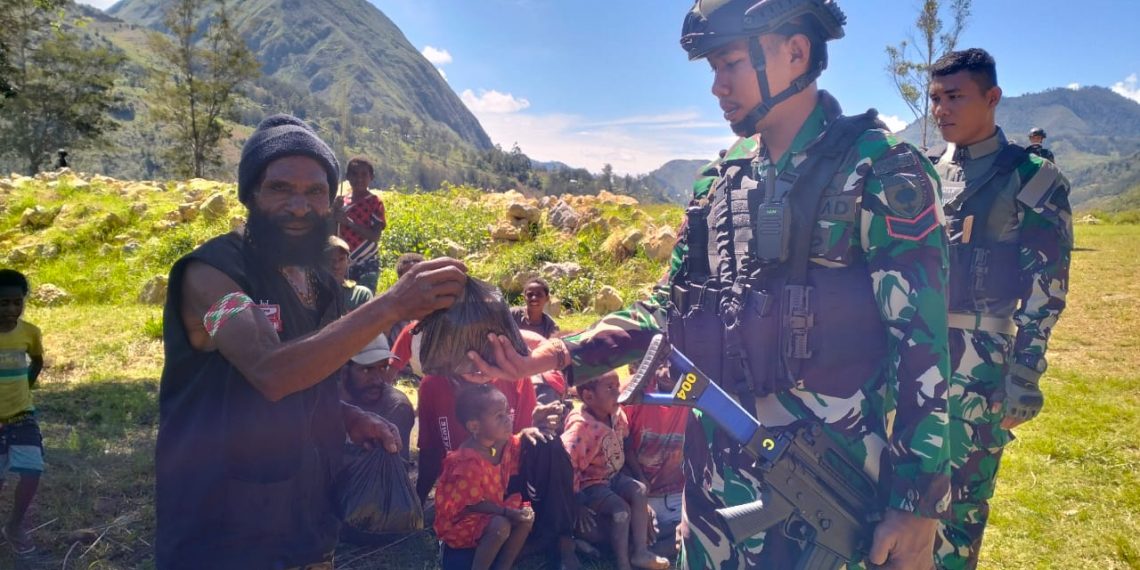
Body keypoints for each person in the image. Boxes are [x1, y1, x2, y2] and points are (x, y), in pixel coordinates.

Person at [468, 1, 952, 568]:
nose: (718, 87)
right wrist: (559, 351)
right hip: (714, 478)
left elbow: (924, 346)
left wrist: (917, 504)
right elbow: (668, 307)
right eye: (712, 70)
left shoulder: (881, 170)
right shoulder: (720, 182)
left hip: (826, 485)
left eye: (730, 65)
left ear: (795, 52)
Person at [155, 114, 467, 569]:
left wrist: (343, 414)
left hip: (305, 516)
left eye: (315, 191)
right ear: (251, 196)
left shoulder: (317, 280)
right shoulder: (212, 277)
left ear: (331, 202)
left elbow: (309, 370)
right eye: (280, 188)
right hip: (224, 524)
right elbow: (270, 371)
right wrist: (391, 306)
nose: (299, 206)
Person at [928, 48, 1072, 570]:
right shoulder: (920, 175)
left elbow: (1047, 286)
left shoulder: (1030, 177)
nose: (942, 109)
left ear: (992, 98)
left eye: (955, 97)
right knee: (898, 495)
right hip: (911, 357)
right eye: (936, 98)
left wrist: (1025, 373)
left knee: (961, 502)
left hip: (979, 360)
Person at [562, 371, 668, 570]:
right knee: (621, 511)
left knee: (639, 491)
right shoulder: (580, 428)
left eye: (617, 386)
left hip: (614, 476)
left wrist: (638, 476)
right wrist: (576, 502)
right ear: (588, 397)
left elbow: (626, 444)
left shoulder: (616, 414)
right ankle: (623, 564)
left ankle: (640, 552)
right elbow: (565, 467)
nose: (617, 392)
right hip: (590, 485)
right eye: (610, 388)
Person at [434, 384, 538, 570]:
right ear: (475, 426)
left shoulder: (500, 443)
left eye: (507, 412)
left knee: (527, 515)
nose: (508, 420)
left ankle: (503, 566)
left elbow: (516, 441)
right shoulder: (466, 461)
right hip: (465, 521)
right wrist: (507, 512)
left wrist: (526, 432)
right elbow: (472, 504)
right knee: (501, 526)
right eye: (499, 416)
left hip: (492, 512)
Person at [0, 269, 44, 556]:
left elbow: (37, 362)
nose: (12, 309)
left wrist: (24, 389)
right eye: (4, 303)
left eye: (18, 302)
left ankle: (15, 525)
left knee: (32, 471)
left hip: (21, 415)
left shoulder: (30, 333)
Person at [622, 363, 686, 555]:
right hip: (639, 494)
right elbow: (616, 451)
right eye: (663, 360)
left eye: (674, 363)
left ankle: (650, 548)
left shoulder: (698, 394)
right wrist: (640, 499)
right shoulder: (633, 391)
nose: (667, 370)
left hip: (679, 496)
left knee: (700, 530)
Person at [341, 334, 414, 459]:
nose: (377, 380)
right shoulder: (321, 400)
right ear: (344, 370)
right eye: (366, 370)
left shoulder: (396, 407)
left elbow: (384, 471)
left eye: (383, 368)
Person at [334, 157, 386, 293]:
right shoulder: (341, 202)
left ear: (371, 177)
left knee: (364, 299)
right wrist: (333, 211)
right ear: (347, 177)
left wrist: (349, 223)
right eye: (354, 174)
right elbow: (332, 232)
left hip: (367, 262)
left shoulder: (375, 202)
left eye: (364, 174)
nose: (359, 179)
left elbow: (375, 236)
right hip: (342, 262)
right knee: (343, 301)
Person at [327, 235, 373, 312]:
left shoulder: (360, 295)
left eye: (341, 259)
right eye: (330, 260)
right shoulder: (311, 295)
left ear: (348, 262)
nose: (336, 266)